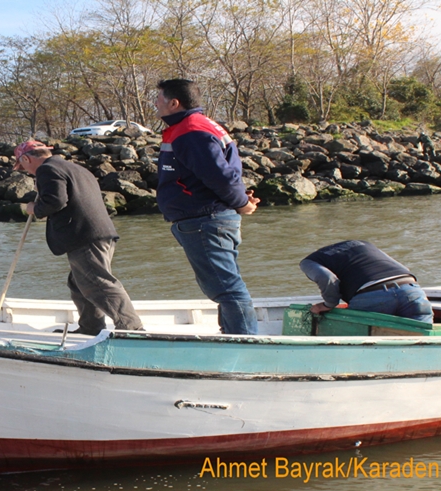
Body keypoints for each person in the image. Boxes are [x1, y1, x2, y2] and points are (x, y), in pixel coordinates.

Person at [153, 78, 260, 335]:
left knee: (226, 287)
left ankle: (246, 343)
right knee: (225, 284)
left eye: (158, 99)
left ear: (174, 103)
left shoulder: (190, 131)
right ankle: (234, 336)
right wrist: (239, 201)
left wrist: (242, 203)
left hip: (204, 219)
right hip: (208, 218)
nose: (155, 104)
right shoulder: (198, 126)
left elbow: (220, 176)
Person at [15, 140, 144, 334]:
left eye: (23, 166)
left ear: (26, 158)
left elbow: (56, 201)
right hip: (99, 232)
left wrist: (35, 208)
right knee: (79, 282)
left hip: (84, 234)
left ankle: (133, 328)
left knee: (97, 281)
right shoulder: (74, 168)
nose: (26, 171)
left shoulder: (47, 170)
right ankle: (90, 327)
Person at [300, 240, 434, 323]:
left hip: (370, 295)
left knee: (363, 345)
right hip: (411, 290)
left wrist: (328, 304)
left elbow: (327, 278)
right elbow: (404, 269)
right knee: (422, 338)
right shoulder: (364, 244)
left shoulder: (308, 261)